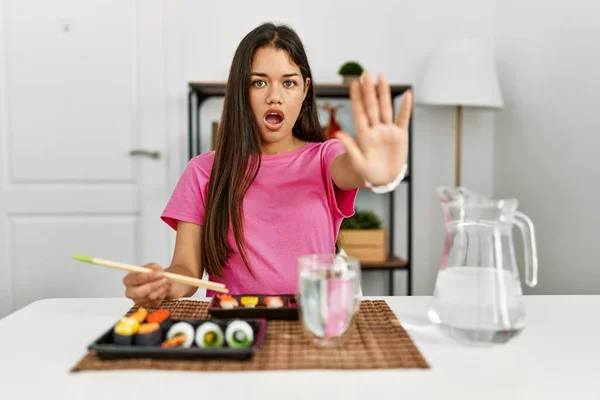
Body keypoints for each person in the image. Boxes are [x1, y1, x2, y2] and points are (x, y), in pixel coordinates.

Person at [123, 22, 412, 308]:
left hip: (312, 323)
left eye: (289, 83)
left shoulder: (325, 158)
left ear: (304, 90)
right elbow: (186, 271)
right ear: (240, 90)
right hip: (236, 326)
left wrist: (381, 173)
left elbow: (352, 171)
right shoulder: (202, 171)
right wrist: (161, 282)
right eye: (258, 82)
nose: (274, 96)